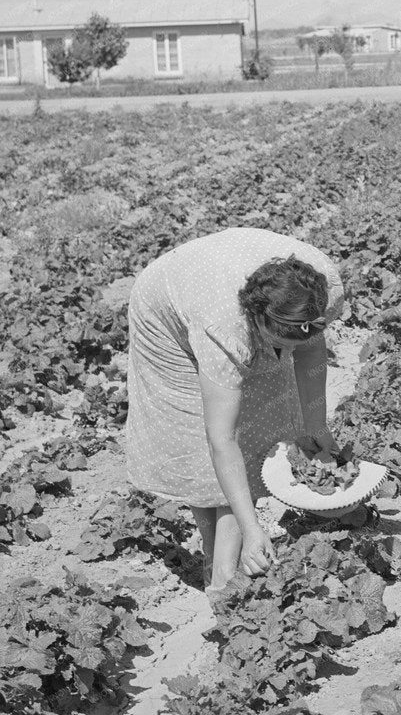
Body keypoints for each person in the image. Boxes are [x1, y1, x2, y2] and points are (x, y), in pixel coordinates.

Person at [124, 228, 345, 592]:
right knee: (201, 429)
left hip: (221, 272)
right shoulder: (224, 327)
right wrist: (251, 524)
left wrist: (316, 425)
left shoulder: (323, 292)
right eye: (278, 343)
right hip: (166, 306)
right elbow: (221, 439)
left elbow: (309, 350)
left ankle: (227, 562)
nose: (285, 354)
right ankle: (221, 568)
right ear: (257, 320)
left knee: (261, 415)